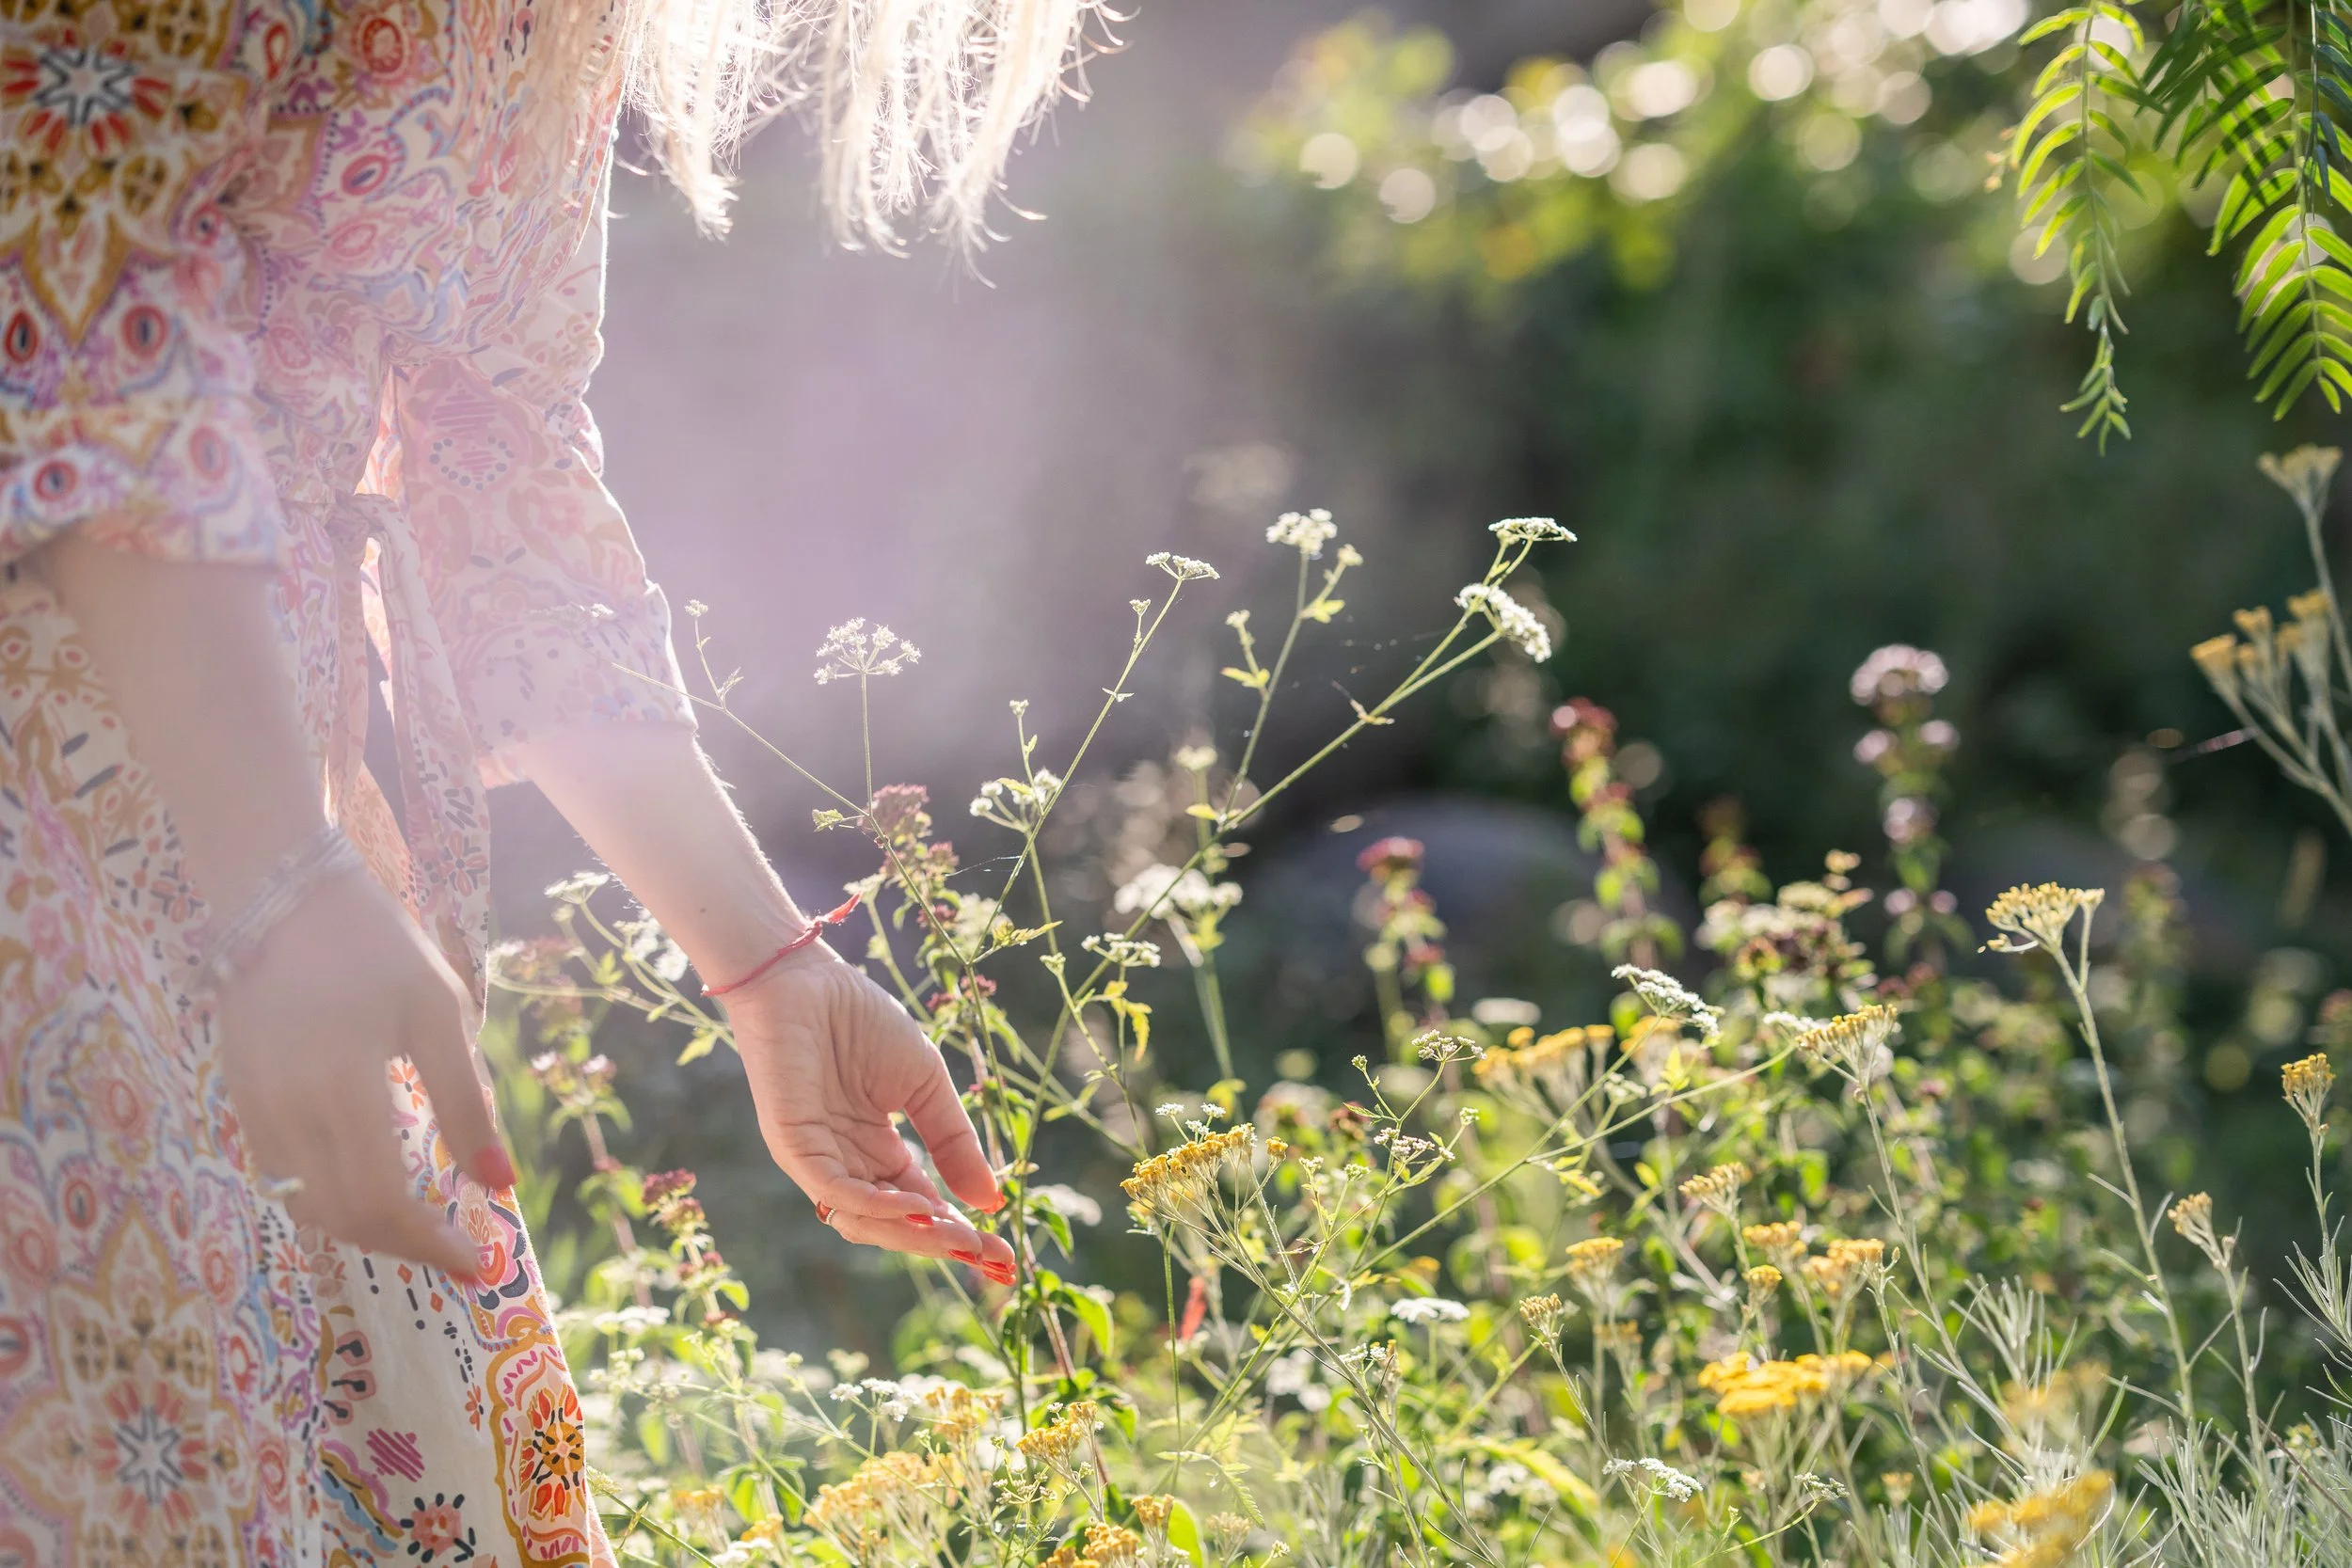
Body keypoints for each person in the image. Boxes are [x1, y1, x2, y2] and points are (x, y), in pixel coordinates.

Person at [0, 0, 1099, 1559]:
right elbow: (58, 289)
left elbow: (500, 438)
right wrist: (275, 878)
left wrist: (769, 965)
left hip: (268, 851)